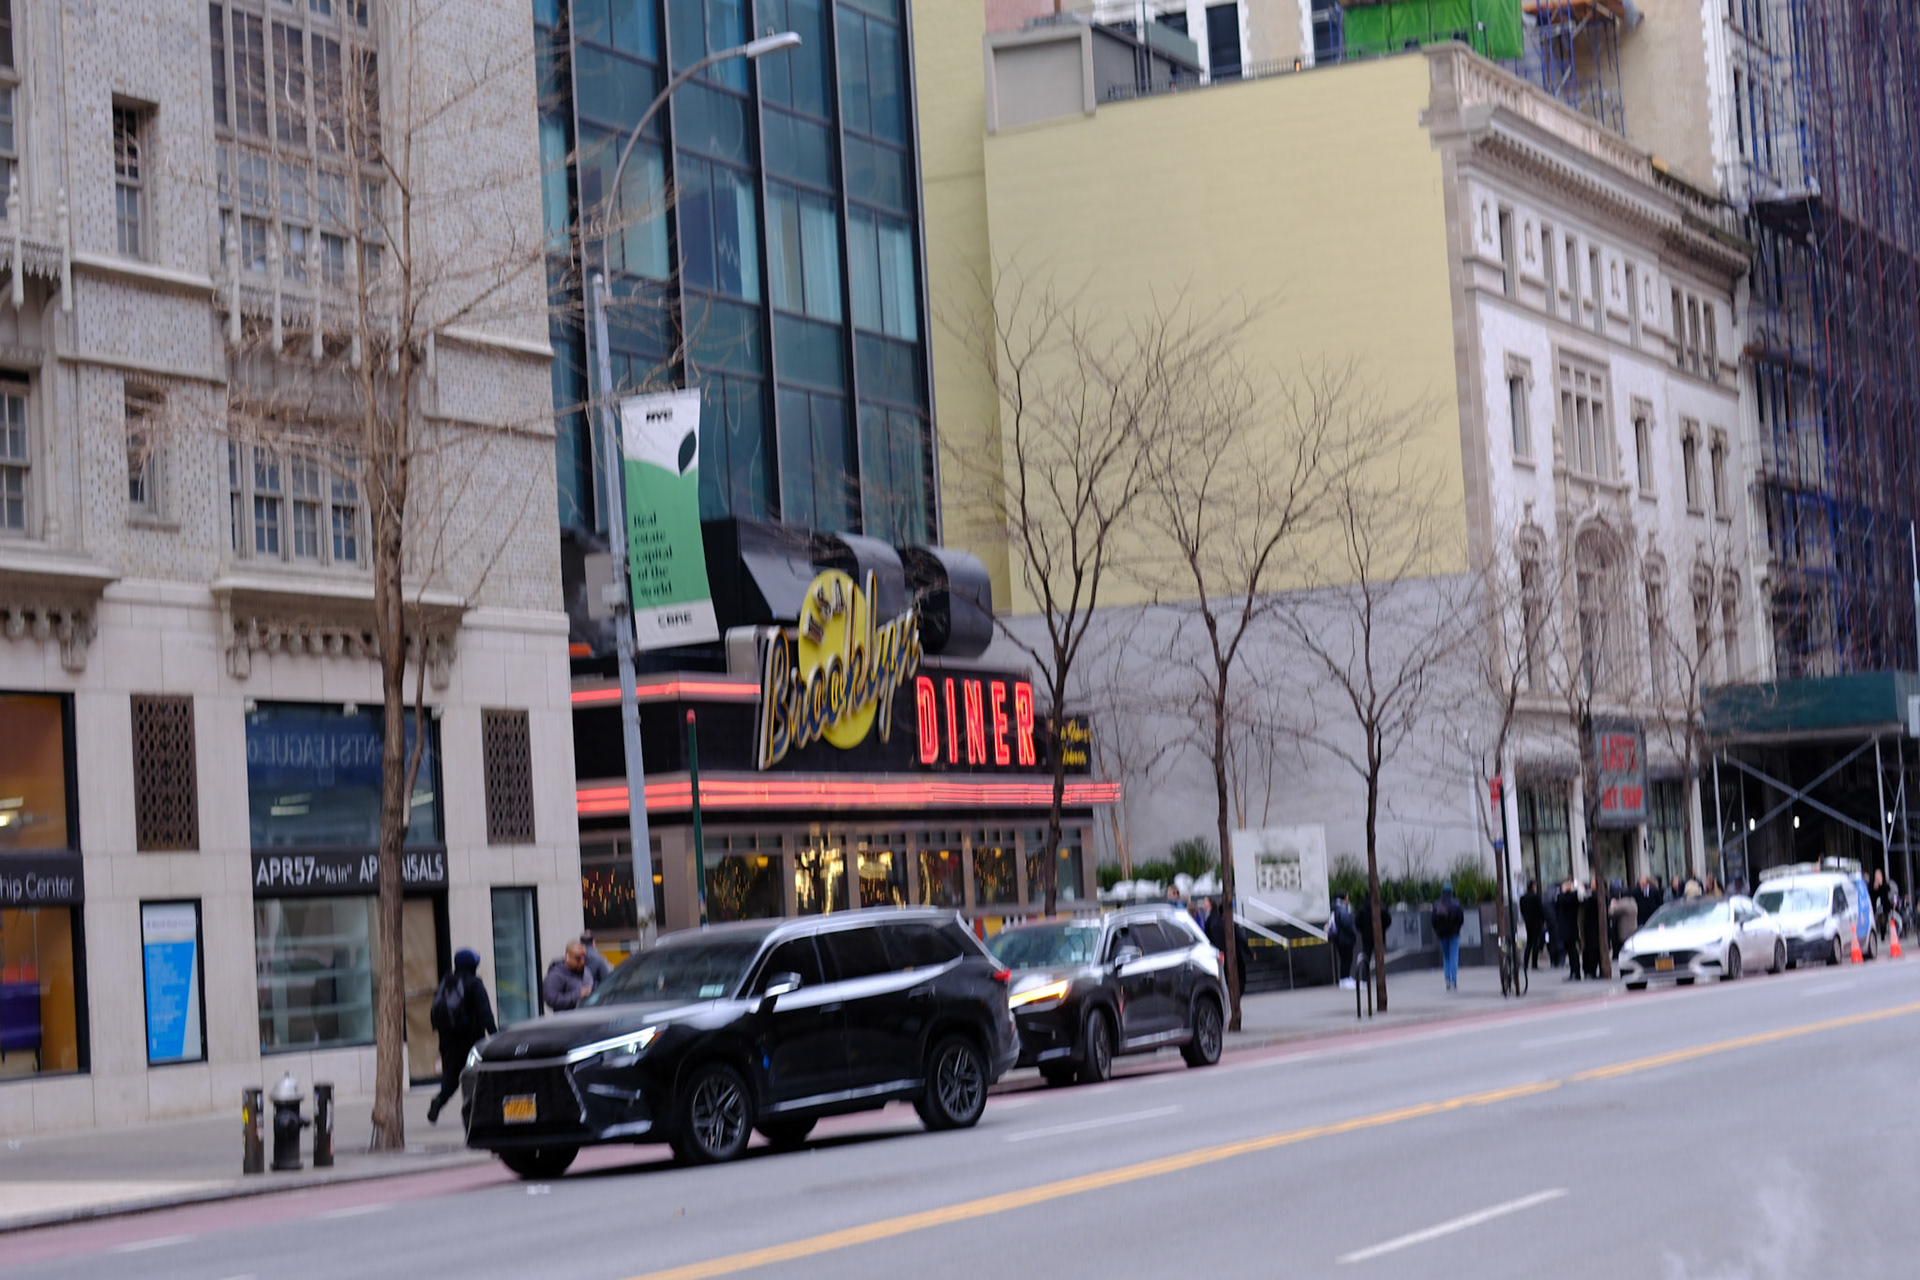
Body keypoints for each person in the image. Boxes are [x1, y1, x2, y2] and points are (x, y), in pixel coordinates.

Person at [427, 948, 497, 1124]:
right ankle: (475, 1110)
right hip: (471, 1039)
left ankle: (439, 1100)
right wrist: (495, 1036)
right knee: (479, 1074)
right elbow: (485, 1012)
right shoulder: (475, 983)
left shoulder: (447, 981)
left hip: (447, 1040)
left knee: (451, 1076)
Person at [542, 940, 594, 1012]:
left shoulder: (586, 971)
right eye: (578, 958)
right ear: (568, 957)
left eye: (584, 957)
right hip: (566, 1017)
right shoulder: (556, 975)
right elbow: (551, 999)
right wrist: (577, 995)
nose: (582, 962)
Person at [1432, 881, 1465, 991]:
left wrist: (1438, 930)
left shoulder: (1437, 904)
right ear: (1451, 892)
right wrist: (1457, 928)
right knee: (1454, 956)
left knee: (1446, 957)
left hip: (1442, 934)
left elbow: (1433, 920)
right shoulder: (1456, 904)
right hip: (1454, 933)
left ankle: (1447, 979)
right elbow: (1461, 919)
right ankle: (1454, 980)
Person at [1554, 879, 1583, 981]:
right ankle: (1573, 971)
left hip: (1570, 927)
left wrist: (1564, 892)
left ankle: (1576, 972)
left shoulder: (1573, 896)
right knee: (1570, 950)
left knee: (1572, 950)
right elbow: (1558, 902)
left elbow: (1563, 901)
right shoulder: (1565, 896)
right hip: (1566, 927)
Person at [1331, 892, 1358, 988]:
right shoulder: (1342, 909)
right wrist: (1353, 932)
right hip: (1345, 938)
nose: (1348, 899)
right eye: (1347, 897)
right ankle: (1345, 978)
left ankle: (1345, 977)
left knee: (1344, 959)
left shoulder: (1335, 907)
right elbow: (1346, 922)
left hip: (1340, 938)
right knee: (1347, 958)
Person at [1519, 879, 1547, 972]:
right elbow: (1540, 910)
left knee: (1529, 943)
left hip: (1528, 923)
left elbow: (1522, 911)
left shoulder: (1523, 898)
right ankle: (1534, 964)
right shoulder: (1536, 897)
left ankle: (1526, 963)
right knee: (1535, 943)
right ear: (1533, 886)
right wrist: (1543, 920)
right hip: (1536, 922)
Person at [1609, 881, 1638, 957]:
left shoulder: (1622, 904)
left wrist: (1612, 905)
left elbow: (1611, 913)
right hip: (1633, 930)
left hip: (1624, 932)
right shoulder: (1633, 901)